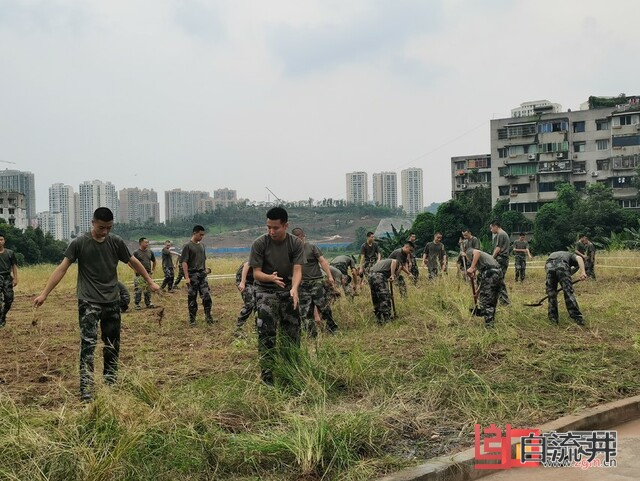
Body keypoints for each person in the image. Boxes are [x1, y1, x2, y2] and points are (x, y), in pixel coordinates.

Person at [33, 207, 160, 402]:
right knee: (88, 345)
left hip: (112, 301)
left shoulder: (116, 242)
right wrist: (44, 293)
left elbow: (133, 261)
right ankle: (86, 388)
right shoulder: (80, 243)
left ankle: (110, 383)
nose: (105, 232)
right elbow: (62, 268)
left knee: (112, 344)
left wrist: (150, 281)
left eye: (109, 228)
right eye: (101, 227)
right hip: (89, 301)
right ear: (93, 223)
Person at [249, 207, 305, 385]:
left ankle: (291, 373)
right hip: (265, 290)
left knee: (292, 333)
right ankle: (267, 377)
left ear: (286, 226)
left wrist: (294, 288)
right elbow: (256, 273)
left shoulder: (295, 243)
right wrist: (271, 278)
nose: (271, 231)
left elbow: (297, 270)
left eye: (275, 228)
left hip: (288, 291)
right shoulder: (260, 243)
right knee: (266, 334)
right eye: (268, 227)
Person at [292, 227, 338, 336]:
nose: (299, 241)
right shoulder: (292, 252)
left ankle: (332, 329)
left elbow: (322, 261)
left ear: (304, 237)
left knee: (324, 307)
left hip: (316, 281)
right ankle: (311, 334)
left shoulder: (311, 247)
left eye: (300, 238)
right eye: (296, 239)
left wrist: (330, 276)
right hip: (302, 284)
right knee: (305, 311)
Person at [181, 225, 215, 326]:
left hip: (202, 275)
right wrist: (187, 277)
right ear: (194, 233)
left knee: (206, 296)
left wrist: (205, 271)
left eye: (203, 235)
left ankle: (208, 317)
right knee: (192, 298)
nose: (202, 237)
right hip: (192, 275)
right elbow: (184, 262)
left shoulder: (202, 246)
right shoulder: (188, 246)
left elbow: (203, 260)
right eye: (200, 235)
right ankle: (192, 320)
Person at [464, 247, 505, 328]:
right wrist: (477, 292)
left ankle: (489, 325)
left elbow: (477, 252)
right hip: (498, 272)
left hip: (490, 272)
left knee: (487, 300)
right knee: (492, 298)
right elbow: (484, 281)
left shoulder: (469, 252)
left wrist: (472, 267)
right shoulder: (484, 261)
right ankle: (489, 319)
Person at [545, 251, 587, 325]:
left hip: (549, 265)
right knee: (568, 292)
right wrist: (583, 272)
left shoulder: (557, 254)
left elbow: (547, 269)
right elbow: (580, 258)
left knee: (551, 294)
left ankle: (553, 319)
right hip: (561, 264)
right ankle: (577, 318)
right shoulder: (571, 255)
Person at [368, 257, 402, 324]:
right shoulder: (397, 263)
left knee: (376, 297)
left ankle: (379, 319)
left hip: (370, 275)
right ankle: (387, 319)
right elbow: (394, 261)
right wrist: (392, 275)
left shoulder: (384, 262)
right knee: (385, 297)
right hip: (379, 276)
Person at [490, 221, 511, 305]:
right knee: (498, 280)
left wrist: (491, 258)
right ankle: (502, 300)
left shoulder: (500, 234)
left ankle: (505, 301)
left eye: (491, 228)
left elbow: (498, 248)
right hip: (503, 259)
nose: (491, 230)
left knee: (499, 280)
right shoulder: (504, 234)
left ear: (495, 226)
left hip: (501, 259)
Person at [133, 237, 157, 309]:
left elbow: (154, 261)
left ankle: (148, 303)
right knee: (138, 290)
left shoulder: (150, 252)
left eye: (147, 242)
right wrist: (134, 269)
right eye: (145, 242)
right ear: (141, 243)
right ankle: (137, 304)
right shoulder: (136, 252)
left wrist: (153, 270)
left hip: (148, 274)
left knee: (148, 290)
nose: (147, 244)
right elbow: (129, 261)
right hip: (139, 275)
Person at [0, 234, 18, 328]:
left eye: (1, 239)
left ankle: (2, 316)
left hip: (7, 277)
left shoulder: (10, 253)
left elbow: (14, 266)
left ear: (4, 241)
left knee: (9, 299)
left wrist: (15, 278)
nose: (0, 242)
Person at [234, 260, 255, 338]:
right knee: (250, 303)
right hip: (245, 279)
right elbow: (247, 264)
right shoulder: (261, 254)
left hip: (254, 280)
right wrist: (242, 282)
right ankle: (238, 327)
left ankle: (258, 326)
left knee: (259, 302)